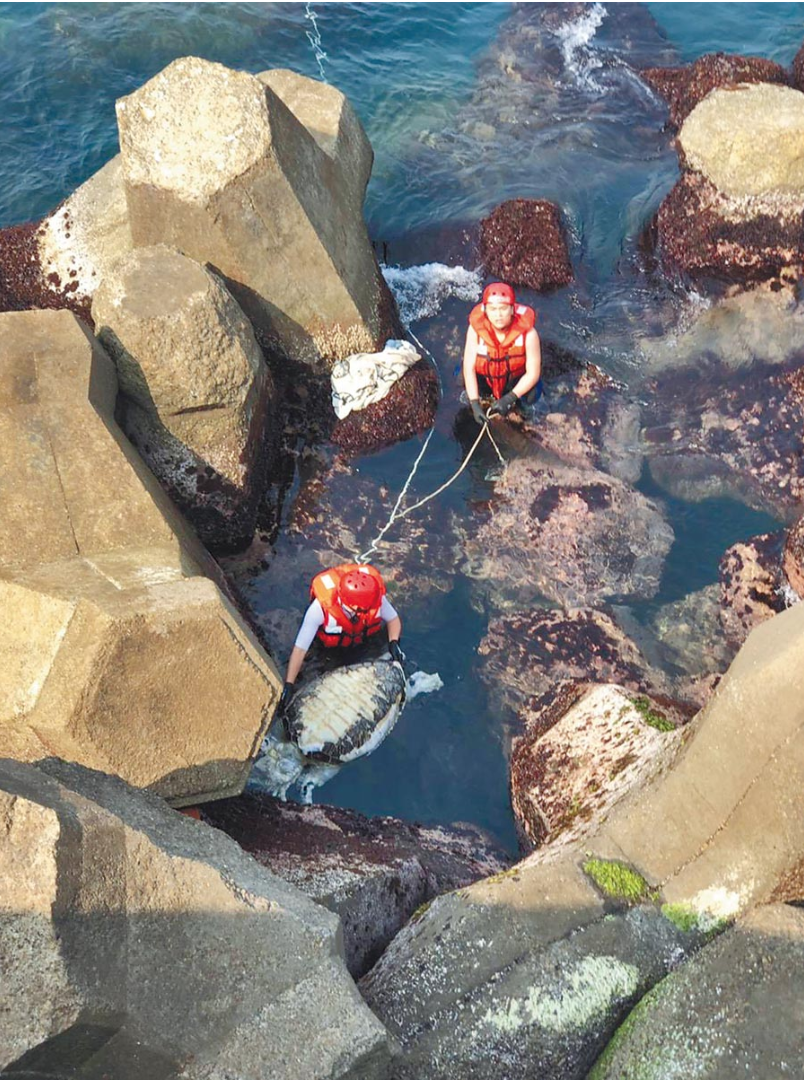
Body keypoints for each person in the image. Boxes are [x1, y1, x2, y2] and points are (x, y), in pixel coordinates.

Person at [279, 562, 403, 711]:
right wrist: (289, 684)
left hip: (360, 642)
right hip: (329, 647)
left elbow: (393, 619)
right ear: (356, 608)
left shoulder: (372, 598)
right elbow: (300, 650)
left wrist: (393, 642)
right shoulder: (320, 610)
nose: (375, 606)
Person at [462, 281, 542, 423]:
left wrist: (509, 398)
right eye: (492, 309)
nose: (498, 315)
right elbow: (469, 368)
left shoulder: (529, 334)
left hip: (512, 379)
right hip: (488, 378)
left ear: (512, 310)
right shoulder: (475, 330)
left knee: (532, 395)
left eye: (503, 309)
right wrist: (475, 404)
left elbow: (533, 373)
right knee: (461, 378)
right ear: (485, 311)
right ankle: (481, 397)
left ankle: (519, 405)